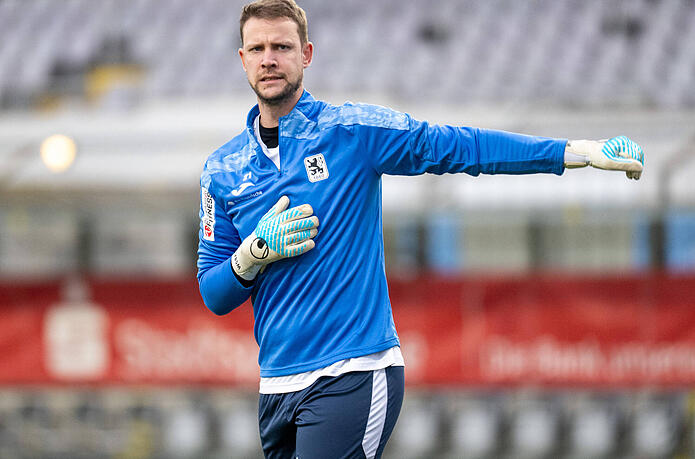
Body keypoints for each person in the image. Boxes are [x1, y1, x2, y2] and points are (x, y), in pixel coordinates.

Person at [196, 1, 644, 457]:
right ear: (242, 59)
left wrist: (576, 151)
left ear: (306, 54)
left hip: (353, 370)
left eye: (282, 47)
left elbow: (460, 147)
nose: (269, 59)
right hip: (276, 386)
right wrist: (251, 255)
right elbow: (214, 293)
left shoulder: (352, 131)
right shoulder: (221, 170)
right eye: (257, 49)